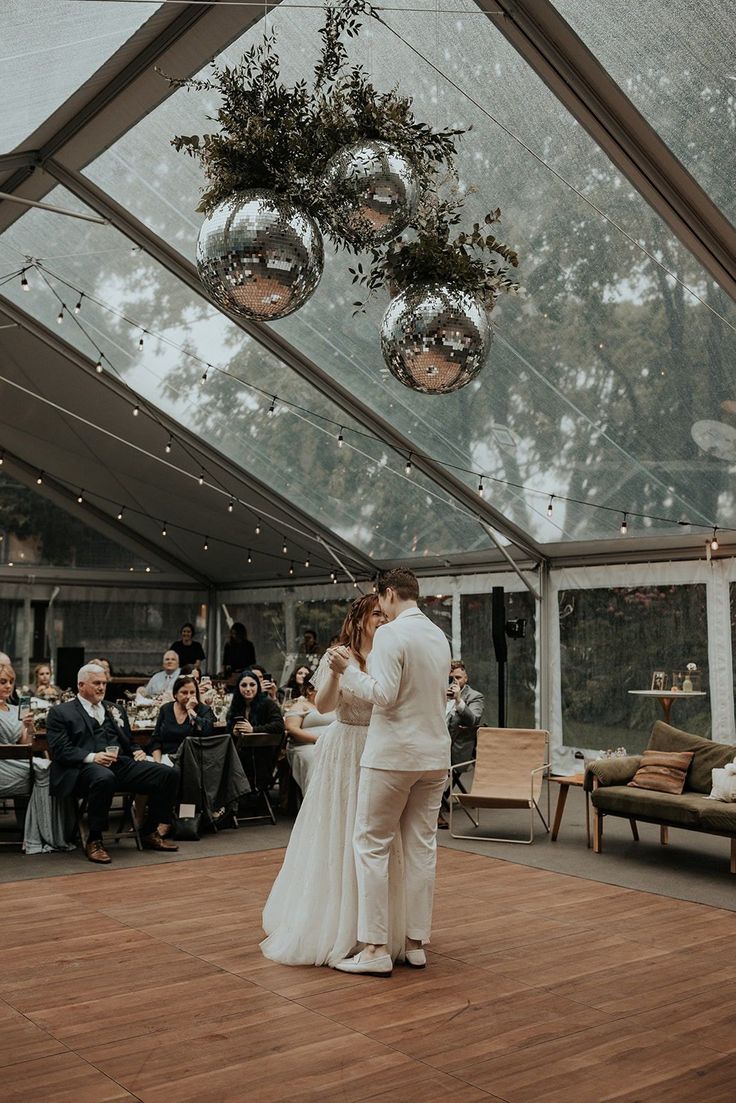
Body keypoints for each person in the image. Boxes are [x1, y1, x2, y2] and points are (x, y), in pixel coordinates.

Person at [261, 594, 407, 968]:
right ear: (359, 618)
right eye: (377, 614)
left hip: (380, 745)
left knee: (376, 836)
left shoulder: (389, 654)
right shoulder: (336, 656)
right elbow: (324, 706)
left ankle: (377, 930)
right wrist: (340, 672)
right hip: (345, 747)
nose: (383, 620)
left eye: (385, 614)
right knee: (339, 829)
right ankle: (334, 924)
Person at [329, 568, 451, 977]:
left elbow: (383, 694)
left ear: (388, 594)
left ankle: (375, 948)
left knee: (371, 845)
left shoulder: (390, 634)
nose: (378, 607)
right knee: (421, 849)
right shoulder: (439, 636)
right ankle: (416, 943)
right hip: (435, 757)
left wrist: (348, 670)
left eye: (379, 599)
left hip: (393, 757)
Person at [46, 664, 180, 864]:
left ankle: (149, 830)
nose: (102, 687)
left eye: (103, 683)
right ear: (81, 685)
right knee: (104, 778)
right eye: (96, 683)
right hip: (83, 768)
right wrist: (92, 757)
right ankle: (95, 839)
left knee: (169, 773)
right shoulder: (60, 712)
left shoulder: (114, 708)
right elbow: (61, 750)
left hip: (120, 763)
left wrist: (136, 751)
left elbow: (128, 741)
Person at [284, 673, 335, 795]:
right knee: (316, 759)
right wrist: (317, 739)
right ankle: (316, 798)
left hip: (334, 744)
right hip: (305, 745)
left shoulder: (334, 705)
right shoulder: (300, 705)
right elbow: (292, 729)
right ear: (310, 690)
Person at [150, 675, 214, 763]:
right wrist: (157, 763)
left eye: (192, 692)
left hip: (192, 761)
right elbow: (156, 740)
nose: (188, 696)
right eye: (184, 692)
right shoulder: (166, 709)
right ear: (175, 694)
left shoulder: (204, 710)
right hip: (166, 758)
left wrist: (190, 710)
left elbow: (207, 732)